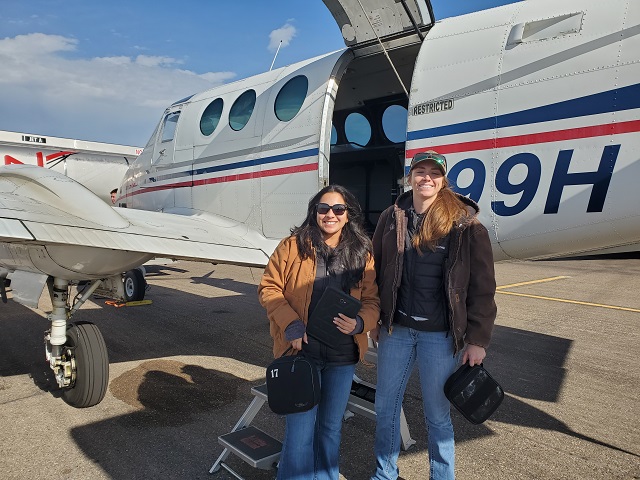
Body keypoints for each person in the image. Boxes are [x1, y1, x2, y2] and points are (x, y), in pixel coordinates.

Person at [370, 151, 497, 480]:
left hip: (439, 336)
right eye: (420, 171)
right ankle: (384, 474)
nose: (426, 177)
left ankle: (442, 476)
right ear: (410, 176)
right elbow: (375, 271)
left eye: (434, 173)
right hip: (396, 330)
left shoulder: (465, 224)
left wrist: (477, 339)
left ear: (443, 180)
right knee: (385, 408)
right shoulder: (391, 217)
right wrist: (375, 319)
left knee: (437, 414)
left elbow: (483, 287)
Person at [258, 185, 380, 480]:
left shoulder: (362, 251)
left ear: (348, 214)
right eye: (323, 208)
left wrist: (360, 324)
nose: (330, 215)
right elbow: (269, 288)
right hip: (302, 354)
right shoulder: (292, 246)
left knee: (330, 430)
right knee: (299, 435)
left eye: (338, 209)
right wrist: (291, 324)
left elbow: (372, 300)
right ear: (314, 211)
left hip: (342, 357)